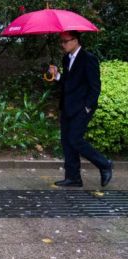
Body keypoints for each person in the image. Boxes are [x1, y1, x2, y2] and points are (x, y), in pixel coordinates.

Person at [48, 31, 112, 188]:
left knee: (75, 139)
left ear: (75, 41)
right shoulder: (66, 58)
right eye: (61, 42)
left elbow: (95, 87)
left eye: (65, 41)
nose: (62, 44)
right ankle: (73, 178)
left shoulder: (88, 59)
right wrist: (56, 76)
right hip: (67, 107)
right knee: (66, 142)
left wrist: (87, 107)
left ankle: (104, 164)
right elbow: (68, 83)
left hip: (82, 108)